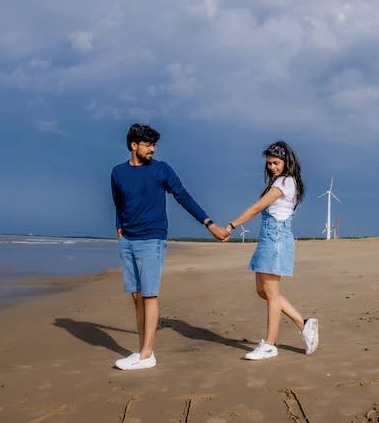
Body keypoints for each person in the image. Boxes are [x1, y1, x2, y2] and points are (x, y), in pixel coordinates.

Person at [111, 123, 230, 370]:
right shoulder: (118, 173)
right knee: (136, 297)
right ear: (134, 145)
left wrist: (209, 224)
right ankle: (142, 348)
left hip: (152, 238)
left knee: (149, 295)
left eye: (154, 144)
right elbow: (118, 202)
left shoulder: (161, 170)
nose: (153, 149)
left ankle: (147, 354)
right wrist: (119, 226)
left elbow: (183, 196)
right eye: (148, 144)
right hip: (128, 240)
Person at [222, 140, 319, 360]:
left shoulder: (286, 182)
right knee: (263, 291)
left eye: (276, 163)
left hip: (275, 238)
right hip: (268, 237)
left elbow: (257, 207)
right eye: (269, 164)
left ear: (286, 162)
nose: (272, 167)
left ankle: (269, 344)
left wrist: (231, 226)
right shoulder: (280, 181)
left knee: (272, 294)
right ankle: (303, 323)